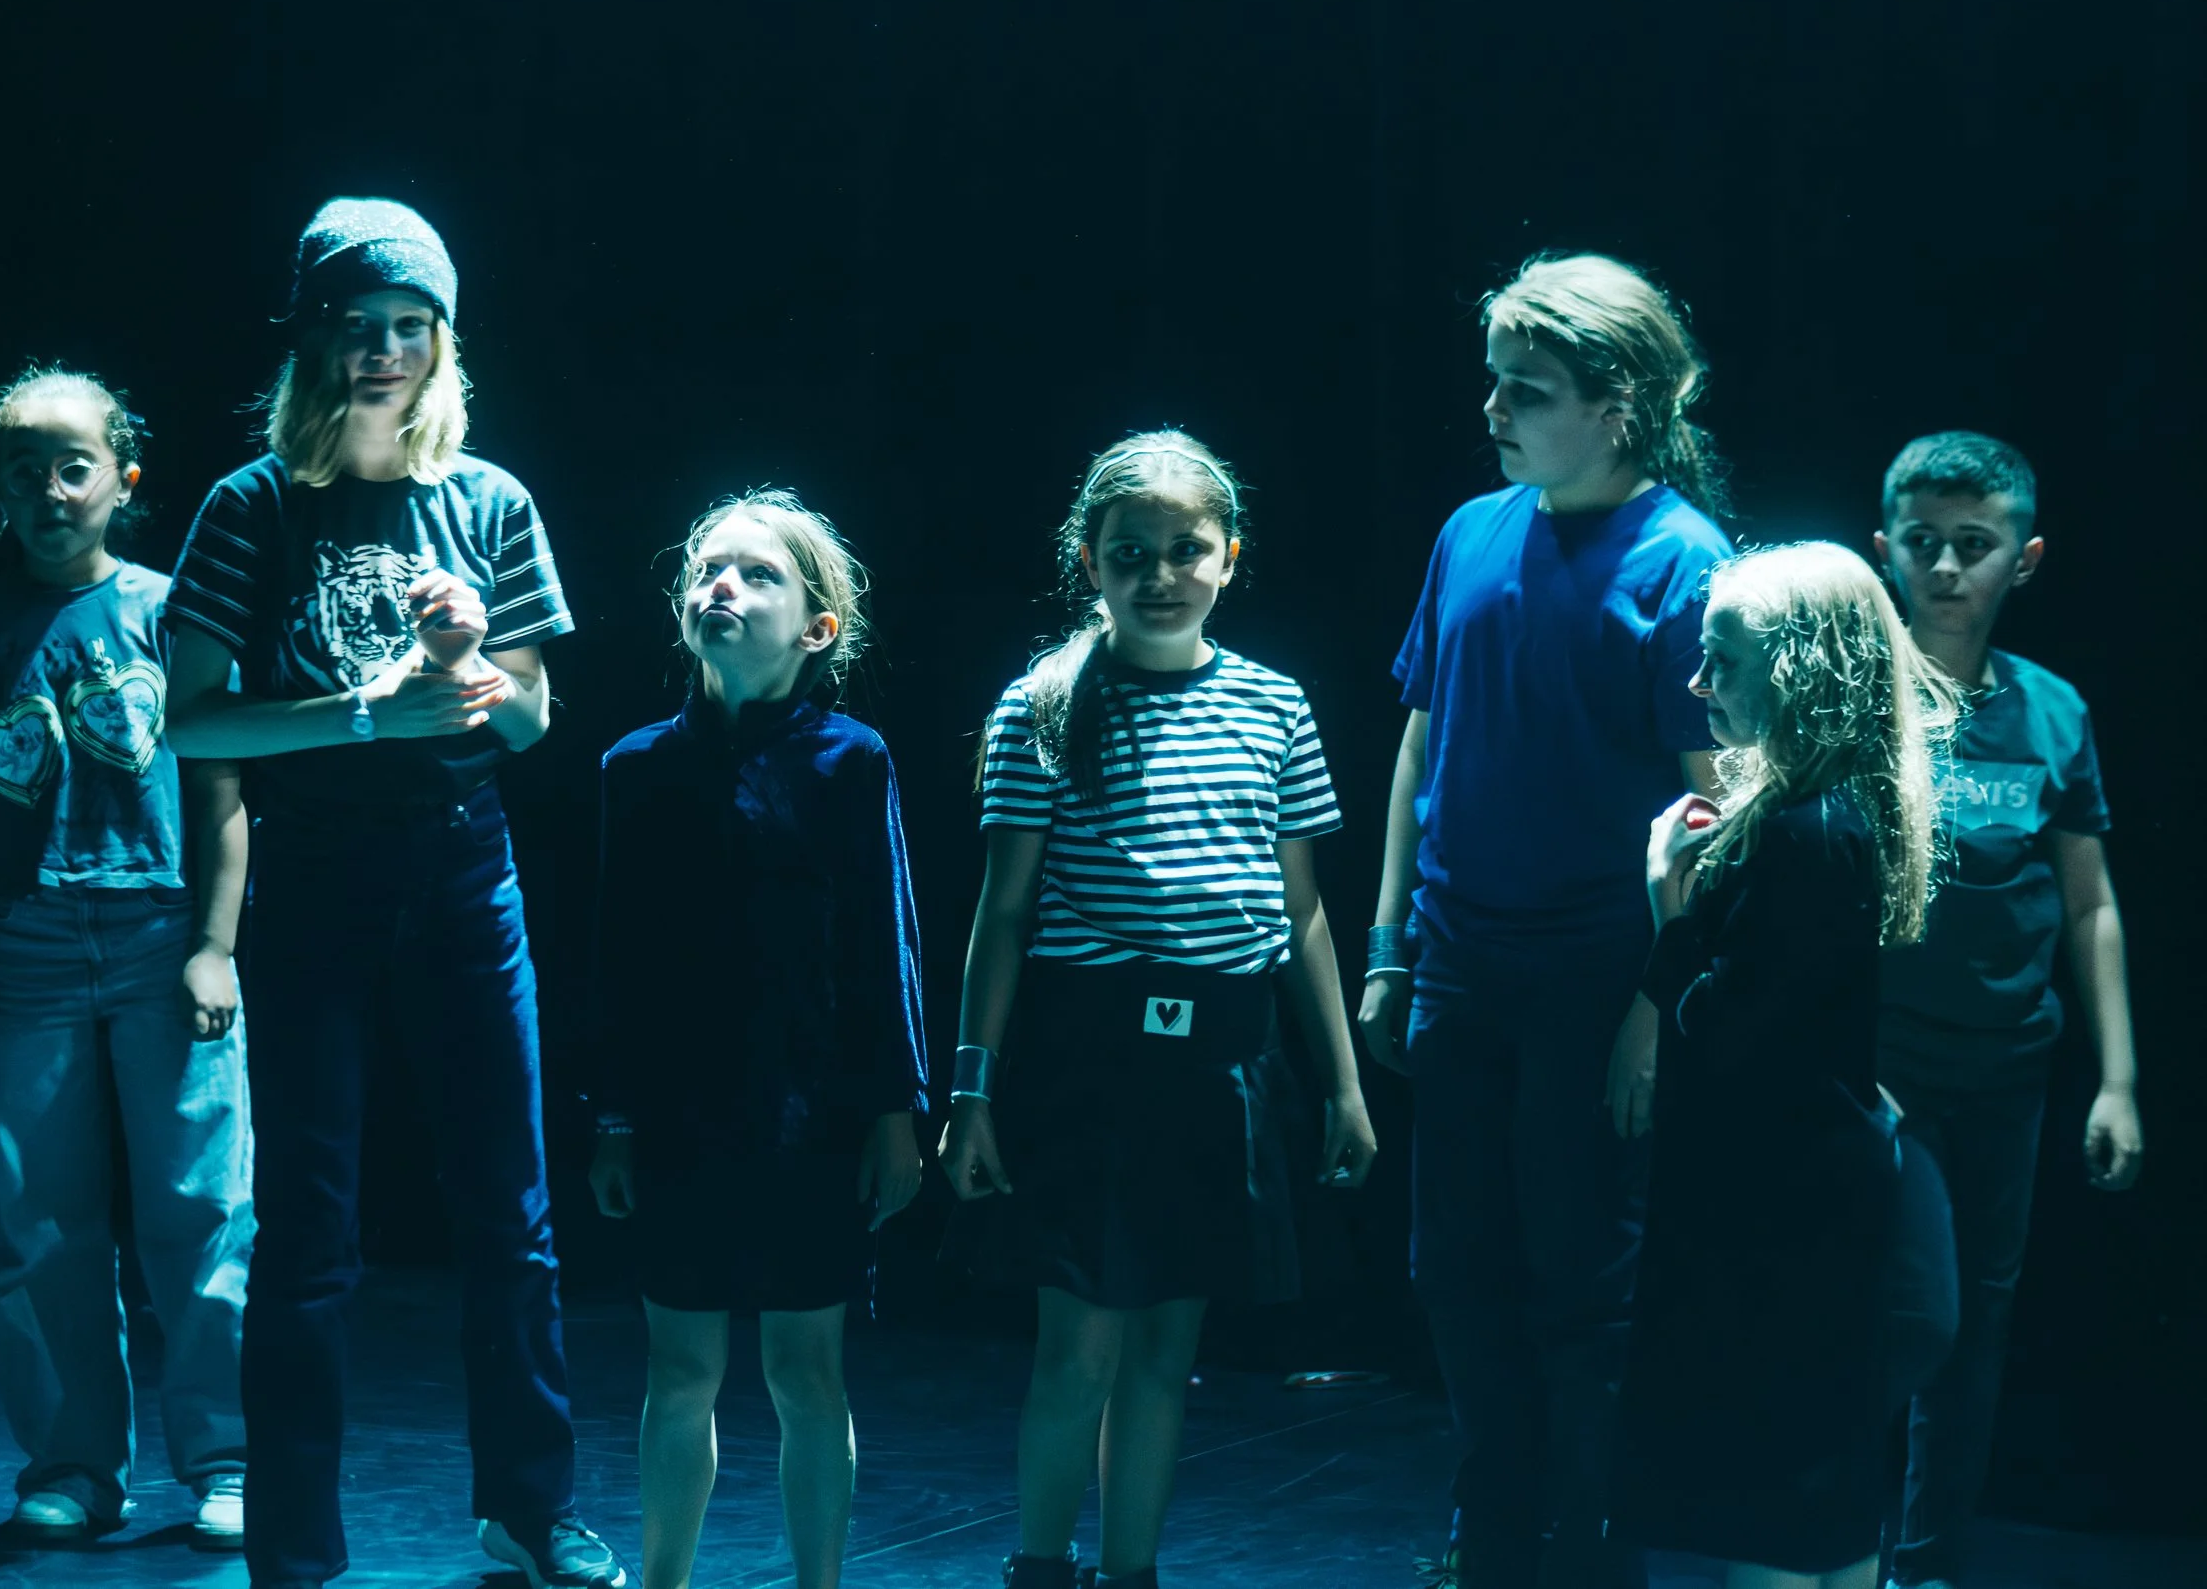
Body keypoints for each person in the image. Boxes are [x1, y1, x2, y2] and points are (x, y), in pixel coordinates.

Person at [160, 199, 626, 1589]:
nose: (381, 351)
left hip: (466, 867)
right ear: (312, 334)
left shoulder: (489, 500)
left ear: (442, 340)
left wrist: (483, 678)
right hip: (315, 880)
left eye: (407, 327)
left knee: (514, 1208)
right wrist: (366, 711)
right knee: (308, 1226)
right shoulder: (252, 504)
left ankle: (527, 1506)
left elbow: (537, 720)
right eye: (356, 326)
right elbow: (193, 725)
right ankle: (295, 1544)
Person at [939, 430, 1379, 1589]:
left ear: (1228, 556)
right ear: (1090, 559)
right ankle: (1041, 1565)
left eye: (1187, 548)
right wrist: (970, 1090)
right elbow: (1003, 913)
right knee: (1077, 1345)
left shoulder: (1273, 706)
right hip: (1086, 1066)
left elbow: (1305, 916)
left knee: (1164, 1351)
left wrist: (1340, 1082)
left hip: (1223, 1062)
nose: (1160, 572)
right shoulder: (1038, 705)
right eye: (1131, 550)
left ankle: (1129, 1569)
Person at [1356, 253, 1735, 1589]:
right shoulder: (1471, 530)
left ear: (1618, 404)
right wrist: (1393, 945)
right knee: (1454, 1266)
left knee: (1581, 1284)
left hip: (1594, 980)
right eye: (1495, 382)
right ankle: (1492, 1523)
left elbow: (1717, 811)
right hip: (1462, 962)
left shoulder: (1687, 563)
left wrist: (1651, 1004)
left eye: (1531, 388)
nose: (1498, 410)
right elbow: (1421, 748)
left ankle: (1587, 1544)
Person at [0, 368, 252, 1549]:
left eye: (74, 465)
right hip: (22, 946)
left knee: (200, 1204)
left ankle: (227, 1458)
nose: (51, 489)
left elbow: (222, 791)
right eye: (24, 469)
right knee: (41, 1218)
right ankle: (75, 1462)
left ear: (121, 480)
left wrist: (213, 946)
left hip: (157, 935)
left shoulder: (168, 606)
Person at [587, 490, 928, 1589]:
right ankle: (662, 1579)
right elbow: (617, 962)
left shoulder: (851, 758)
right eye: (707, 570)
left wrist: (896, 1108)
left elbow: (886, 944)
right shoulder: (633, 767)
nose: (720, 586)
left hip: (809, 1115)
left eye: (756, 573)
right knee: (678, 1364)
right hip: (682, 1113)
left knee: (804, 1368)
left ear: (817, 626)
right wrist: (614, 1116)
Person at [1612, 540, 1953, 1589]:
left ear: (1800, 668)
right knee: (1818, 1511)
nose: (1698, 682)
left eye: (1723, 657)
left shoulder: (1808, 833)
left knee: (1774, 1515)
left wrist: (1668, 905)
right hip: (1812, 1210)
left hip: (1785, 1226)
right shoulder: (1830, 817)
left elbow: (1730, 1047)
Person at [1869, 433, 2142, 1589]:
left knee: (1969, 1329)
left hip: (2005, 1073)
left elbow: (2088, 904)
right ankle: (1830, 1544)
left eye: (1971, 546)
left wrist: (2119, 1079)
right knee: (1884, 1310)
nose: (1943, 568)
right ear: (1880, 547)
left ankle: (1922, 1566)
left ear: (2019, 561)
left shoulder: (2052, 712)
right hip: (1875, 1068)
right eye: (1920, 542)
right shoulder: (1854, 699)